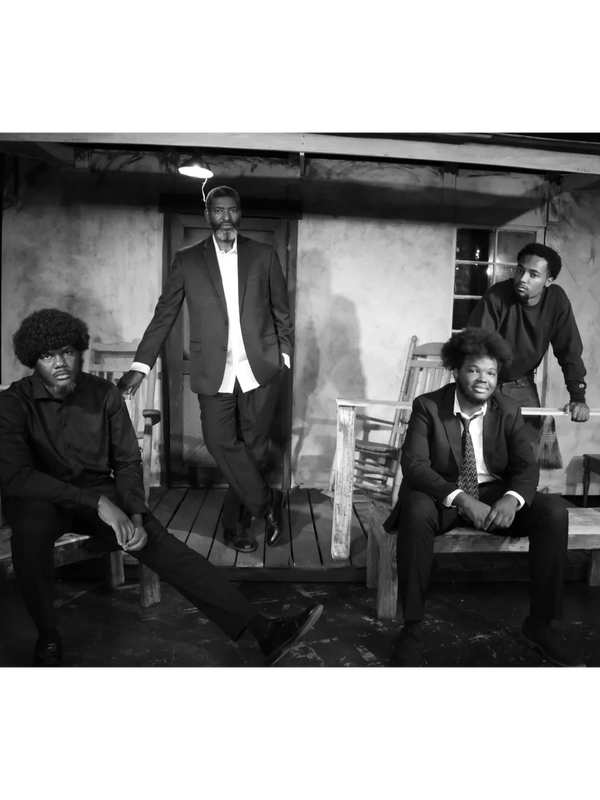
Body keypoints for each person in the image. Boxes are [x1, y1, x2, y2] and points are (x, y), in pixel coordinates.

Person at [0, 309, 322, 671]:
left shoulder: (104, 394)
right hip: (40, 497)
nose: (60, 363)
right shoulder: (14, 403)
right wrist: (98, 502)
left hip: (98, 493)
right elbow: (15, 477)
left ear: (79, 352)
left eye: (67, 352)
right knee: (30, 530)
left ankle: (264, 631)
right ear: (33, 359)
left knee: (163, 544)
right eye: (48, 356)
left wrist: (135, 512)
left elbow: (127, 461)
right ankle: (48, 636)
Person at [384, 327, 586, 671]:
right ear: (456, 371)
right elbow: (415, 466)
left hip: (493, 493)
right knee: (415, 509)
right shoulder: (428, 406)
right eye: (474, 370)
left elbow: (526, 466)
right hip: (445, 494)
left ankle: (540, 625)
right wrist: (463, 499)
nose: (483, 379)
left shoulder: (507, 409)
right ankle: (412, 628)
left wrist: (512, 499)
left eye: (491, 372)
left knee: (553, 512)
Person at [118, 187, 293, 556]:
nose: (226, 217)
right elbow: (164, 314)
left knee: (252, 451)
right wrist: (141, 365)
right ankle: (268, 502)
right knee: (219, 441)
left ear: (240, 213)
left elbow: (281, 310)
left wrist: (285, 355)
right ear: (208, 215)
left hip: (260, 368)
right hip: (214, 370)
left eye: (232, 210)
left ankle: (234, 527)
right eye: (218, 211)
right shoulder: (187, 260)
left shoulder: (263, 254)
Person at [467, 243, 589, 452]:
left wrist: (578, 397)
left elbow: (569, 350)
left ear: (548, 281)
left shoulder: (556, 300)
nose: (523, 279)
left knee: (529, 449)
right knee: (480, 449)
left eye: (533, 274)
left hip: (521, 381)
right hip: (485, 380)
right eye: (520, 270)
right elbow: (477, 347)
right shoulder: (497, 295)